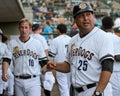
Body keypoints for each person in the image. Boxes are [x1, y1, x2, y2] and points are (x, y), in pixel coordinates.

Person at [44, 2, 114, 96]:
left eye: (88, 14)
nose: (86, 18)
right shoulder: (72, 40)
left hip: (95, 89)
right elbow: (69, 65)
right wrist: (55, 65)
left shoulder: (102, 37)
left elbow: (108, 67)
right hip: (77, 91)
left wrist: (98, 92)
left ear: (93, 16)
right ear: (75, 19)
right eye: (81, 15)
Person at [2, 18, 48, 96]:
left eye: (26, 27)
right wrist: (4, 72)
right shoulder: (12, 43)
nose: (24, 30)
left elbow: (44, 62)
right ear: (19, 28)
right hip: (18, 80)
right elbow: (6, 60)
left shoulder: (37, 43)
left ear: (30, 29)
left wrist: (48, 68)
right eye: (22, 27)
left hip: (34, 80)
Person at [31, 23, 55, 96]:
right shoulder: (41, 38)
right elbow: (46, 52)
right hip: (41, 62)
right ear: (39, 29)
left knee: (34, 80)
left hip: (31, 62)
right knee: (48, 80)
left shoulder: (29, 36)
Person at [48, 23, 71, 96]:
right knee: (69, 87)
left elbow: (51, 55)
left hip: (60, 67)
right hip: (70, 66)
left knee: (63, 89)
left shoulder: (55, 40)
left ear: (58, 31)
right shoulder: (71, 39)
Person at [0, 31, 14, 96]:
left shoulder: (4, 45)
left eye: (0, 35)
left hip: (3, 66)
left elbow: (7, 57)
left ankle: (9, 93)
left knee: (11, 77)